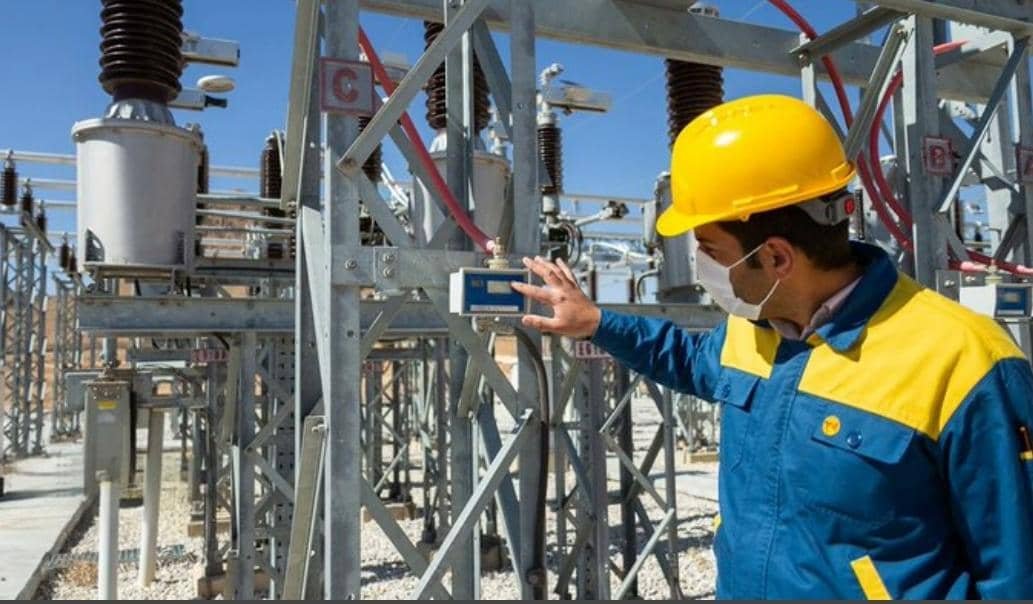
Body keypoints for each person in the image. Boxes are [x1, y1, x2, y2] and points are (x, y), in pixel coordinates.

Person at [511, 94, 1033, 599]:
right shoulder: (753, 328)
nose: (703, 266)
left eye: (710, 250)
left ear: (777, 257)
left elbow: (1016, 570)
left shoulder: (964, 361)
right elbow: (686, 359)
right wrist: (596, 322)